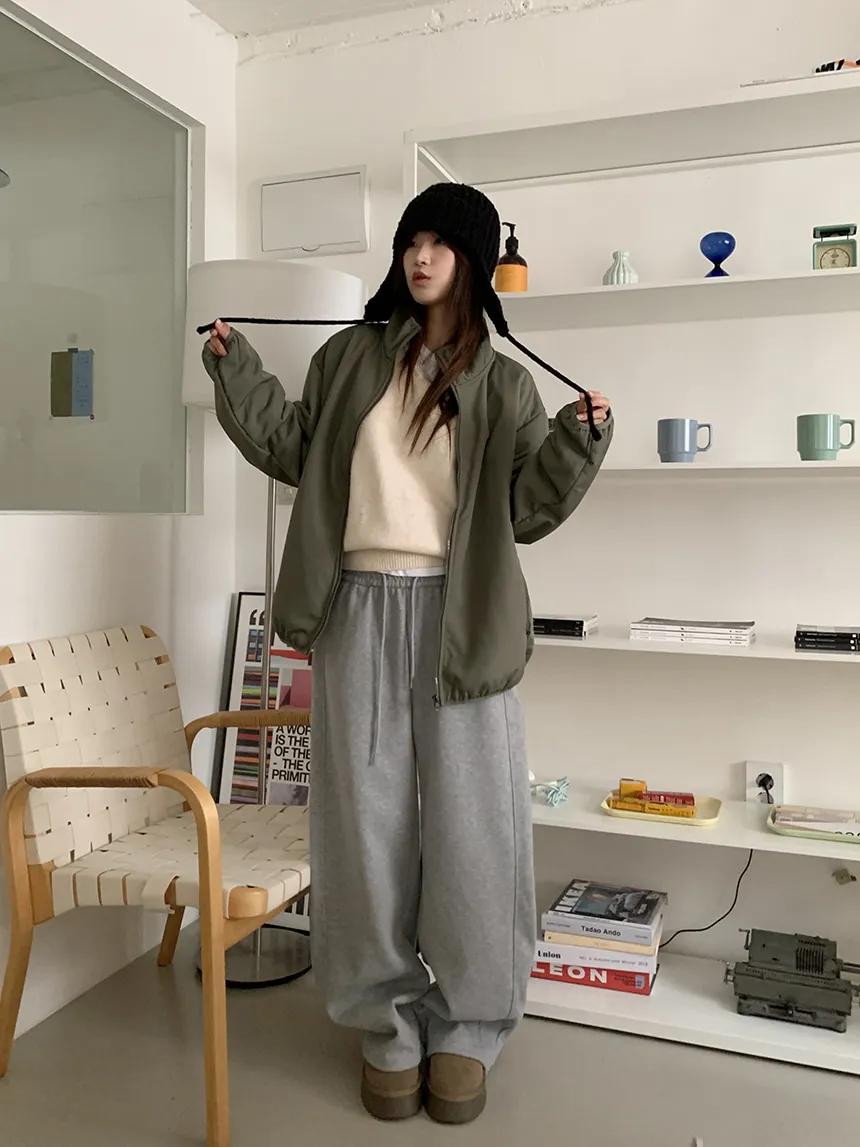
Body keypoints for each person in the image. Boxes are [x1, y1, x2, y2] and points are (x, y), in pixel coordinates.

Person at [202, 183, 613, 1126]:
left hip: (462, 614)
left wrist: (579, 441)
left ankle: (468, 1023)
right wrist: (237, 368)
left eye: (440, 244)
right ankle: (384, 1021)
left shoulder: (504, 383)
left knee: (476, 827)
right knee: (362, 826)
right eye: (410, 242)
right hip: (354, 608)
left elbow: (525, 511)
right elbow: (294, 446)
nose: (420, 258)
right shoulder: (349, 358)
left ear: (472, 261)